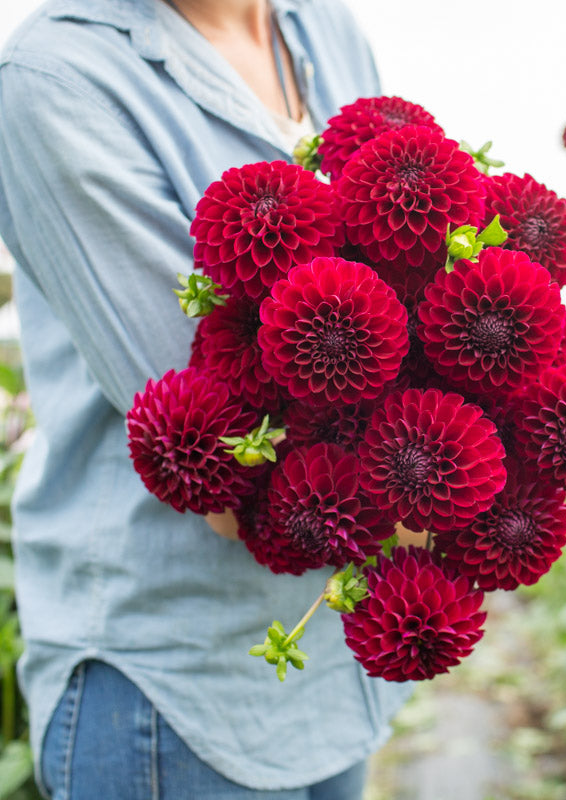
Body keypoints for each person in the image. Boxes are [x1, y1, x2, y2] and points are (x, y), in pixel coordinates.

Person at [0, 0, 412, 797]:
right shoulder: (56, 80)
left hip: (330, 666)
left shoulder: (324, 28)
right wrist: (438, 463)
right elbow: (230, 468)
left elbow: (408, 267)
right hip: (169, 694)